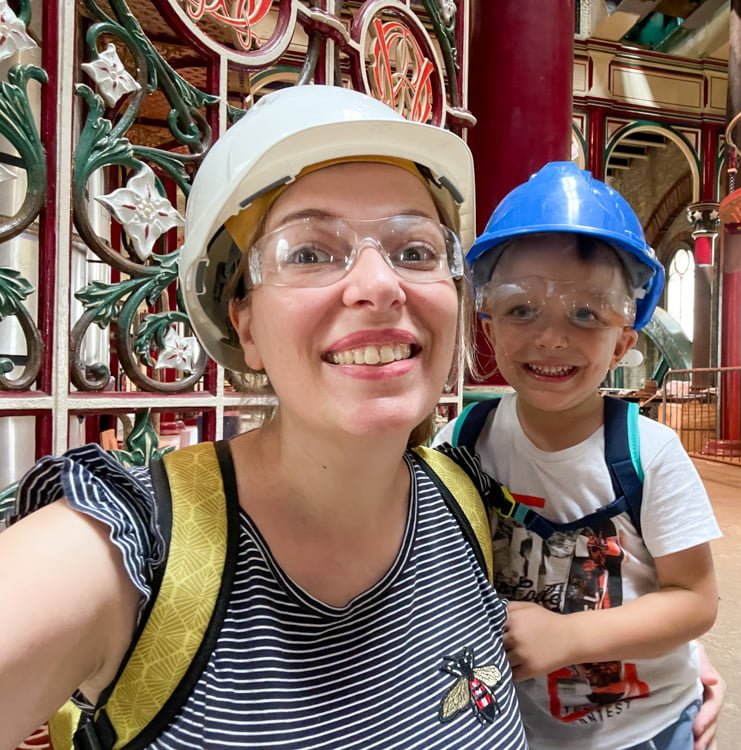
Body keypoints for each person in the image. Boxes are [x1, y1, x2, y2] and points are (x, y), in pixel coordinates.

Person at [0, 85, 528, 748]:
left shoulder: (463, 503)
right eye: (309, 253)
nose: (380, 285)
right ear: (244, 324)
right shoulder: (130, 548)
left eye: (416, 251)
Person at [435, 161, 722, 750]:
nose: (551, 337)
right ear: (489, 327)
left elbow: (695, 601)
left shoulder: (649, 456)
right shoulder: (462, 443)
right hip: (513, 729)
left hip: (645, 728)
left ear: (622, 341)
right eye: (522, 309)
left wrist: (568, 637)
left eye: (586, 313)